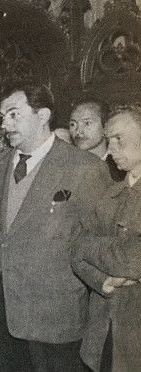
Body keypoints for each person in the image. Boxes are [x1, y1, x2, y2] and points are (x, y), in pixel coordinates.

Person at [0, 82, 110, 371]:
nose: (5, 124)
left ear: (43, 115)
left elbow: (98, 239)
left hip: (53, 318)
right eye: (2, 117)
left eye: (13, 114)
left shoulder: (84, 168)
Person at [72, 104, 141, 372]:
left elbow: (134, 258)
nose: (111, 148)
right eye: (109, 139)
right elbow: (75, 249)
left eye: (119, 138)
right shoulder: (109, 196)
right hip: (103, 333)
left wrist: (94, 247)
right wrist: (104, 280)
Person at [69, 98, 125, 181]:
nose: (78, 131)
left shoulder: (121, 170)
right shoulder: (66, 167)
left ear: (106, 127)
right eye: (73, 124)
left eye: (87, 123)